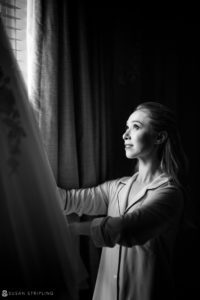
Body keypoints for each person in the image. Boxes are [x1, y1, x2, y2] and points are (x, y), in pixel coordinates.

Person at [58, 102, 188, 300]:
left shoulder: (170, 194)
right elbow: (68, 200)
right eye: (127, 127)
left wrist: (73, 229)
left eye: (136, 127)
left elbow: (123, 229)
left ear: (159, 137)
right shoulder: (117, 187)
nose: (125, 135)